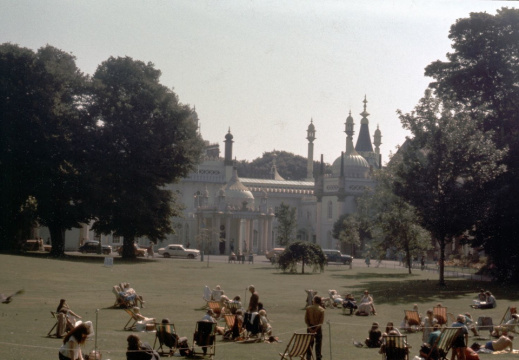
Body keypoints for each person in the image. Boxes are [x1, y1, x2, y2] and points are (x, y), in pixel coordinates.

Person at [305, 295, 324, 360]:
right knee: (318, 343)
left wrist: (309, 328)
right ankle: (318, 357)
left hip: (310, 327)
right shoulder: (321, 310)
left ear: (314, 301)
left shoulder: (308, 308)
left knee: (309, 343)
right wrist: (315, 329)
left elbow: (306, 320)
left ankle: (308, 357)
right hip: (318, 329)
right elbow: (321, 322)